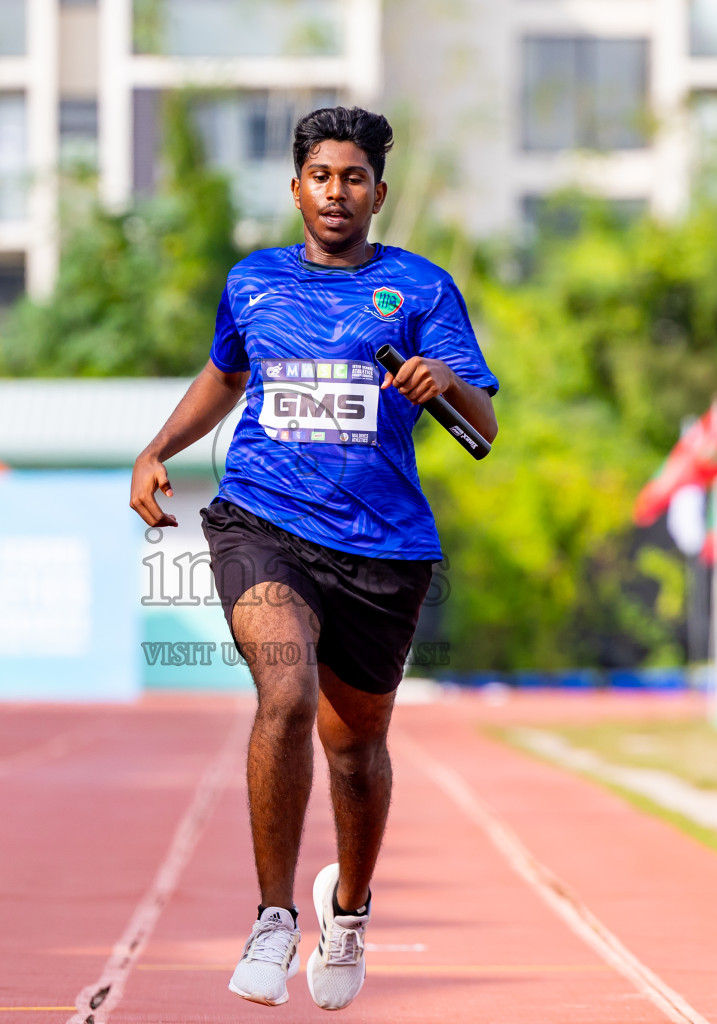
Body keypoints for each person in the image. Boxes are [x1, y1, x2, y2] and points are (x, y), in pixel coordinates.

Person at [129, 106, 498, 1011]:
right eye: (321, 176)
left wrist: (440, 379)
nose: (338, 192)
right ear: (295, 187)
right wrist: (157, 449)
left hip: (383, 548)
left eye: (355, 178)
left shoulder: (420, 290)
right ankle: (271, 918)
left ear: (380, 190)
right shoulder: (252, 282)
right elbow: (226, 373)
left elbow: (483, 425)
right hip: (263, 521)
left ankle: (351, 907)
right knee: (285, 693)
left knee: (356, 749)